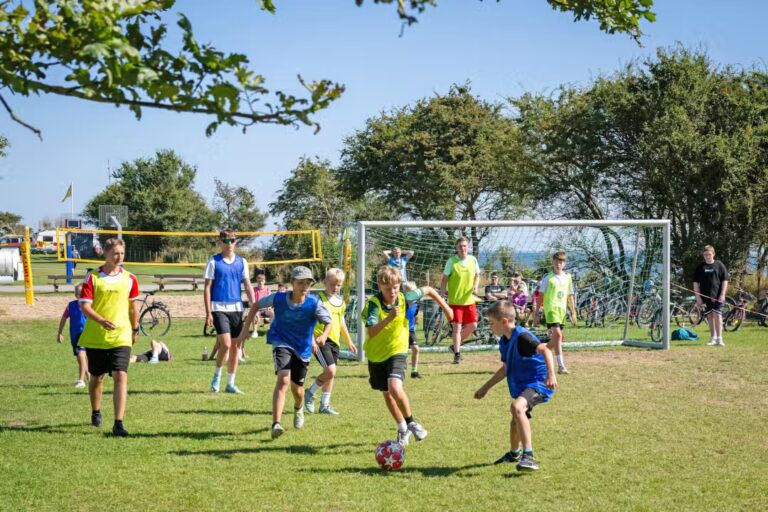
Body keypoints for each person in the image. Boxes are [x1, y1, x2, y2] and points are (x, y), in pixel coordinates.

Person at [237, 266, 331, 439]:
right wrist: (244, 331)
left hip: (302, 349)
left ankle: (298, 407)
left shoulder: (314, 303)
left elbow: (328, 322)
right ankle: (276, 423)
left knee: (298, 390)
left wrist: (323, 336)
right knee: (283, 379)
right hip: (281, 342)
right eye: (300, 283)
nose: (304, 287)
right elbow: (257, 304)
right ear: (292, 283)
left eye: (307, 283)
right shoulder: (279, 298)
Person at [363, 266, 453, 444]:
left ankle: (412, 423)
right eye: (388, 289)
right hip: (376, 355)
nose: (393, 292)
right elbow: (372, 331)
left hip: (397, 351)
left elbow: (428, 289)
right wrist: (389, 318)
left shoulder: (404, 298)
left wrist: (447, 308)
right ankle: (403, 428)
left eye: (396, 287)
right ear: (380, 286)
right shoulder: (373, 304)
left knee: (395, 388)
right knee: (387, 395)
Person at [474, 301, 557, 471]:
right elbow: (505, 368)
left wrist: (551, 374)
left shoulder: (522, 338)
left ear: (504, 321)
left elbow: (546, 350)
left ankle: (529, 456)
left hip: (540, 383)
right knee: (515, 420)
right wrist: (485, 387)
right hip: (524, 385)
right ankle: (514, 453)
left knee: (517, 407)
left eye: (491, 323)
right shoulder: (504, 341)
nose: (490, 327)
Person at [77, 238, 140, 437]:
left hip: (121, 334)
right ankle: (96, 411)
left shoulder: (130, 278)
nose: (119, 256)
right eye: (115, 253)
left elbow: (132, 306)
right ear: (105, 253)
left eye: (122, 253)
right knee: (96, 378)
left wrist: (135, 327)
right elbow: (84, 306)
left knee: (121, 374)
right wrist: (102, 321)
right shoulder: (93, 278)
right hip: (97, 336)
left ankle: (118, 423)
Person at [203, 230, 256, 395]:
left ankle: (230, 383)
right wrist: (208, 313)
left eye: (233, 240)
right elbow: (207, 288)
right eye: (226, 240)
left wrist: (254, 305)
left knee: (236, 346)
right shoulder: (213, 261)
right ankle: (216, 377)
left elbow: (247, 285)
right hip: (219, 308)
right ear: (220, 242)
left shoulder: (242, 262)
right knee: (225, 344)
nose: (230, 243)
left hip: (236, 308)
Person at [304, 268, 358, 415]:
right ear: (325, 282)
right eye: (333, 284)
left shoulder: (341, 303)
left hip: (335, 341)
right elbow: (307, 321)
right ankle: (309, 393)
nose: (335, 288)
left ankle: (324, 405)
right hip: (320, 340)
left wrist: (349, 341)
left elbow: (340, 323)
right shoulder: (317, 299)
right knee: (330, 370)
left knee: (330, 374)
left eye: (338, 285)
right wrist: (312, 340)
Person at [439, 237, 481, 364]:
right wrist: (442, 295)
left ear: (468, 247)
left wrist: (476, 286)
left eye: (465, 246)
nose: (463, 248)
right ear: (456, 248)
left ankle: (454, 346)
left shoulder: (473, 260)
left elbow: (477, 275)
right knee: (456, 328)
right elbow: (444, 279)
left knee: (473, 325)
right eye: (460, 246)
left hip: (469, 300)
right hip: (455, 301)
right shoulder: (451, 261)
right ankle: (457, 354)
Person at [536, 251, 577, 374]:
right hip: (551, 310)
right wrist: (537, 312)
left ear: (564, 263)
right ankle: (560, 365)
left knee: (557, 338)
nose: (558, 264)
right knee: (558, 336)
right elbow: (540, 296)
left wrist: (573, 312)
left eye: (561, 262)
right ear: (552, 262)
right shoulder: (548, 278)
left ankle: (542, 354)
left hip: (562, 311)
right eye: (556, 261)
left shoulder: (567, 277)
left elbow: (570, 296)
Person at [693, 245, 729, 346]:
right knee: (710, 316)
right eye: (705, 255)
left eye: (709, 254)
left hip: (718, 296)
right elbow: (696, 283)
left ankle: (719, 339)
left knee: (717, 315)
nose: (707, 256)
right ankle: (713, 338)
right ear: (703, 255)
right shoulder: (700, 267)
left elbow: (725, 281)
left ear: (713, 254)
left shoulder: (719, 265)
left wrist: (722, 294)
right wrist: (698, 297)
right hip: (705, 297)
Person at [56, 283, 88, 387]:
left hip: (85, 334)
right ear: (76, 295)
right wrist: (60, 332)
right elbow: (64, 318)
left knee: (81, 355)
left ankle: (81, 381)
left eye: (82, 293)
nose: (80, 295)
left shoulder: (89, 306)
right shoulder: (71, 305)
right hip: (74, 335)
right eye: (78, 293)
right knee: (80, 358)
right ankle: (89, 377)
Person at [403, 281, 422, 379]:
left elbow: (414, 315)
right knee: (403, 351)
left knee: (416, 349)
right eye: (409, 293)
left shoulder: (417, 304)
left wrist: (415, 320)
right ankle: (401, 370)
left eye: (414, 292)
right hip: (401, 330)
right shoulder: (402, 303)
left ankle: (414, 371)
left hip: (410, 330)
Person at [249, 271, 273, 339]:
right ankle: (255, 332)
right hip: (257, 308)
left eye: (262, 281)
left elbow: (270, 300)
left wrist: (269, 307)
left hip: (266, 309)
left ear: (264, 281)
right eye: (259, 281)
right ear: (257, 281)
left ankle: (271, 330)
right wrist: (255, 310)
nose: (260, 283)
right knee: (254, 314)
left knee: (272, 313)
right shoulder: (254, 290)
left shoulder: (268, 290)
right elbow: (251, 301)